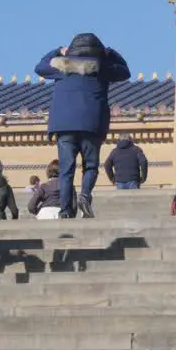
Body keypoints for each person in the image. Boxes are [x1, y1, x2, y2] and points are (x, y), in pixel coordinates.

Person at [35, 33, 131, 218]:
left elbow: (39, 66)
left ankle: (64, 211)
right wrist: (109, 52)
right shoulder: (102, 68)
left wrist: (58, 50)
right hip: (91, 123)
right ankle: (85, 195)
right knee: (91, 166)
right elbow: (125, 71)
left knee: (66, 169)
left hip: (64, 125)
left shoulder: (61, 67)